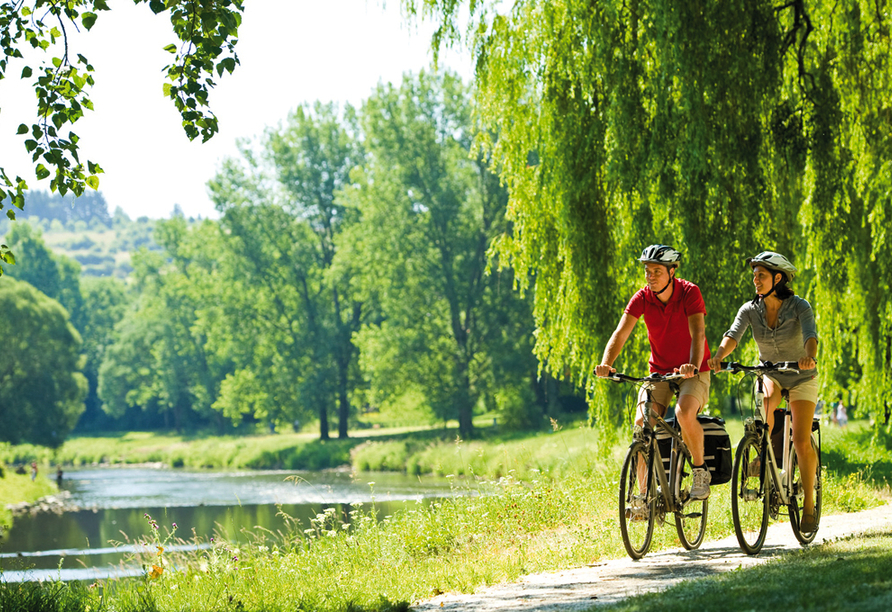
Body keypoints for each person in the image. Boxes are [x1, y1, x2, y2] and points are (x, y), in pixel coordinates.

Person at [707, 251, 819, 533]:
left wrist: (808, 356)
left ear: (777, 278)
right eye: (754, 276)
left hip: (801, 375)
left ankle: (809, 505)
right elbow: (732, 335)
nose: (755, 280)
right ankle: (762, 452)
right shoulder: (749, 309)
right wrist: (718, 357)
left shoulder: (799, 306)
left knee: (802, 440)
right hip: (770, 372)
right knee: (765, 406)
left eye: (761, 276)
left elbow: (810, 336)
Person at [596, 245, 713, 505]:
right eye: (647, 271)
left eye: (657, 271)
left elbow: (698, 333)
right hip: (659, 372)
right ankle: (643, 495)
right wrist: (606, 363)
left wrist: (692, 365)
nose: (650, 276)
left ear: (672, 271)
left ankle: (698, 471)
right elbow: (621, 333)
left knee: (684, 413)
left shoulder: (689, 292)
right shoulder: (642, 298)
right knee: (641, 423)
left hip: (693, 371)